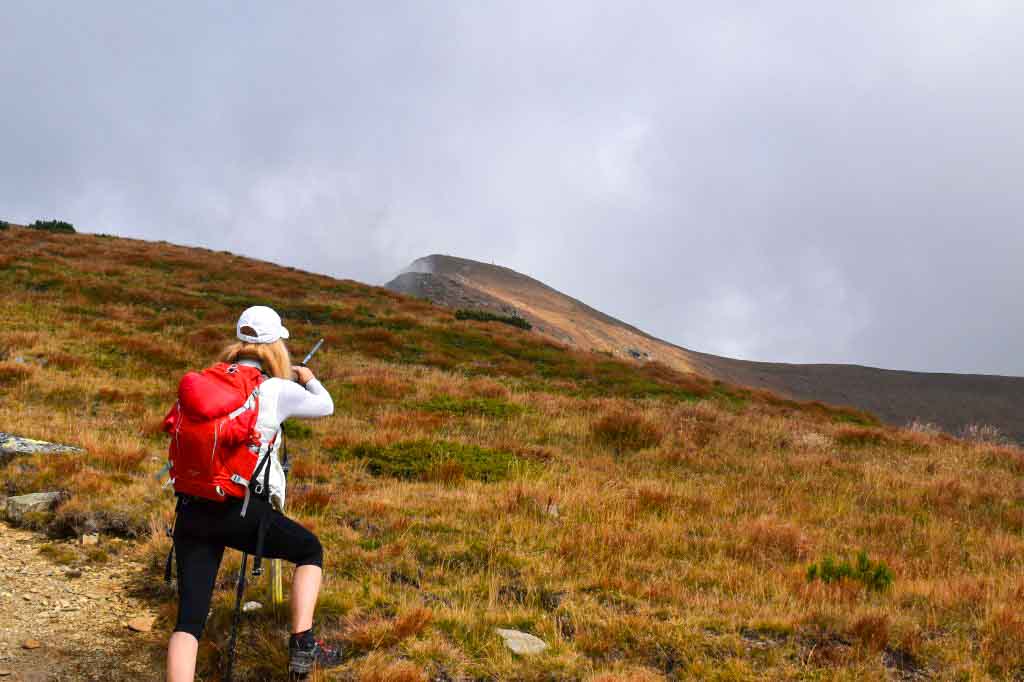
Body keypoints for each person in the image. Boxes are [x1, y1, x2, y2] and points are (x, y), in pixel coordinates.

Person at [166, 306, 341, 681]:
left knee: (189, 619)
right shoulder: (275, 388)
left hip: (192, 508)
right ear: (274, 345)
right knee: (310, 550)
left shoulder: (204, 382)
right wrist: (307, 378)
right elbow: (326, 406)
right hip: (238, 510)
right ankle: (303, 647)